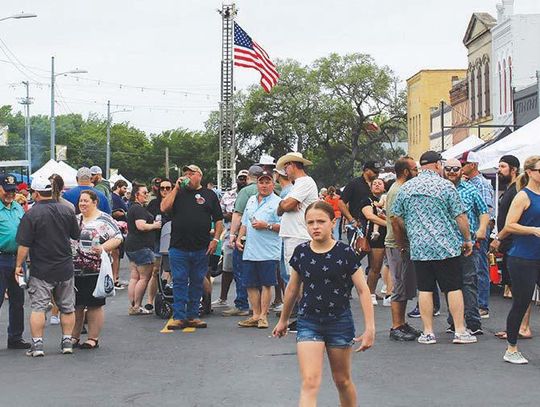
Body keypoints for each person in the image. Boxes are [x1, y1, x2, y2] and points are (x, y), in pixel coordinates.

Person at [273, 201, 375, 407]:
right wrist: (283, 319)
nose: (315, 226)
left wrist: (370, 328)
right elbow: (292, 288)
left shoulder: (345, 252)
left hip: (339, 322)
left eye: (321, 221)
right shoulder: (301, 252)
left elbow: (363, 290)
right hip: (309, 322)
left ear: (333, 222)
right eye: (310, 222)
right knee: (310, 382)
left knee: (342, 381)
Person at [392, 151, 477, 345]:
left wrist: (410, 233)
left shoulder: (407, 188)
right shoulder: (445, 186)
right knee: (453, 288)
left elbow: (396, 216)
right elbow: (460, 216)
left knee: (425, 289)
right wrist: (467, 239)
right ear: (438, 165)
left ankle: (428, 332)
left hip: (420, 247)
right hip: (446, 246)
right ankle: (460, 330)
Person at [15, 176, 80, 357]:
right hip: (65, 266)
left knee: (38, 307)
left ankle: (37, 345)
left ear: (35, 193)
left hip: (41, 268)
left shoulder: (31, 215)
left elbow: (24, 245)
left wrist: (18, 265)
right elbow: (76, 235)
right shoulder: (66, 210)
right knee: (67, 306)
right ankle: (67, 341)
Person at [161, 165, 223, 330]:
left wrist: (215, 239)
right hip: (178, 246)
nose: (187, 176)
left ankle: (193, 315)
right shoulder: (178, 193)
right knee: (179, 281)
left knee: (197, 281)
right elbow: (164, 208)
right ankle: (179, 316)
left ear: (199, 176)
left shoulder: (209, 195)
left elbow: (218, 220)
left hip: (201, 246)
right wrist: (174, 188)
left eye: (191, 173)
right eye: (185, 173)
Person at [500, 155, 540, 364]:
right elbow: (509, 225)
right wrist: (533, 230)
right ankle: (511, 348)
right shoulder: (523, 196)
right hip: (523, 258)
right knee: (521, 303)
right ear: (531, 172)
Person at [71, 190, 122, 349]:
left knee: (94, 304)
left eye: (86, 201)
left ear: (95, 202)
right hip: (75, 269)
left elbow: (118, 237)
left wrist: (103, 248)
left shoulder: (104, 219)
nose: (83, 204)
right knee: (76, 305)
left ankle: (93, 338)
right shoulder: (75, 219)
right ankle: (73, 337)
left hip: (96, 269)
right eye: (81, 201)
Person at [443, 158, 489, 335]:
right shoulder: (438, 190)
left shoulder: (470, 189)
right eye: (448, 169)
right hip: (445, 245)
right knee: (450, 284)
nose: (452, 172)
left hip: (467, 243)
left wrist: (482, 227)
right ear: (443, 170)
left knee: (469, 282)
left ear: (461, 170)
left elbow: (484, 211)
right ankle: (454, 321)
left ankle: (473, 322)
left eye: (456, 168)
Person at [236, 170, 282, 329]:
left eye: (267, 182)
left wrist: (267, 226)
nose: (264, 185)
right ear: (257, 184)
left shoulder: (278, 202)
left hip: (268, 250)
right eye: (261, 182)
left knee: (266, 284)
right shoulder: (250, 200)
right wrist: (238, 237)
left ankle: (263, 315)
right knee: (250, 283)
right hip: (250, 249)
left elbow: (283, 226)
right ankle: (255, 314)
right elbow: (244, 223)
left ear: (273, 184)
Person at [385, 156, 421, 341]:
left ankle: (402, 323)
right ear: (406, 172)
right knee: (399, 285)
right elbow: (395, 220)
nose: (417, 172)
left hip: (403, 244)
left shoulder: (402, 188)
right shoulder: (397, 190)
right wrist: (401, 246)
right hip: (397, 245)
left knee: (405, 286)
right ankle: (396, 326)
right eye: (415, 169)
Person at [223, 166, 262, 317]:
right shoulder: (269, 191)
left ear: (248, 177)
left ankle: (242, 304)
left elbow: (237, 215)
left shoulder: (245, 192)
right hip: (263, 237)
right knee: (259, 273)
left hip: (245, 236)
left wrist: (233, 235)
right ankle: (258, 306)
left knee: (240, 270)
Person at [460, 152, 495, 319]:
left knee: (480, 266)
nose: (461, 168)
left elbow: (487, 209)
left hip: (479, 230)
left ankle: (482, 305)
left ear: (472, 165)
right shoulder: (469, 183)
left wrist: (483, 231)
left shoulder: (480, 183)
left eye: (463, 164)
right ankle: (475, 304)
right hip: (474, 230)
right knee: (473, 267)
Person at [0, 174, 30, 350]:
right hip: (1, 258)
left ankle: (15, 338)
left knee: (18, 301)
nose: (10, 194)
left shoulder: (18, 207)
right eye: (6, 190)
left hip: (18, 259)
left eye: (13, 191)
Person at [212, 170, 249, 308]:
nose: (243, 180)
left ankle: (252, 303)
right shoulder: (228, 195)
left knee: (250, 269)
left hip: (250, 236)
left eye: (245, 178)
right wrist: (230, 215)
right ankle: (223, 298)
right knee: (228, 268)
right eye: (241, 178)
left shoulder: (254, 193)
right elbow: (219, 213)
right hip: (230, 235)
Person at [125, 183, 161, 315]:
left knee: (134, 277)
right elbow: (141, 226)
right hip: (141, 246)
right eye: (144, 193)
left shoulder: (132, 208)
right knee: (144, 277)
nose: (146, 195)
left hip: (131, 245)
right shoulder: (138, 209)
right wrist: (155, 225)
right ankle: (137, 305)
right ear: (136, 195)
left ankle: (134, 305)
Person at [359, 178, 388, 305]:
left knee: (382, 266)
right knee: (375, 267)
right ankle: (369, 294)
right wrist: (388, 224)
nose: (376, 185)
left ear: (384, 187)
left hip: (387, 237)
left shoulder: (387, 200)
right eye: (374, 183)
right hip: (373, 237)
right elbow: (369, 216)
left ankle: (373, 292)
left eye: (379, 183)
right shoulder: (367, 200)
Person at [145, 178, 173, 311]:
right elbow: (147, 220)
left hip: (174, 239)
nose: (165, 190)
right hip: (157, 240)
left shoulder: (176, 202)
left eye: (168, 188)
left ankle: (172, 294)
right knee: (155, 271)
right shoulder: (153, 204)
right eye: (162, 188)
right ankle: (150, 300)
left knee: (172, 269)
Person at [339, 161, 381, 241]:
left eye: (378, 172)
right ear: (366, 170)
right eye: (374, 171)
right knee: (358, 251)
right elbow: (341, 203)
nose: (377, 174)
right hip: (359, 224)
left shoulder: (377, 184)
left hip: (376, 225)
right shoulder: (354, 184)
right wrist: (351, 220)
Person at [111, 179, 129, 289]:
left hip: (121, 230)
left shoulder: (119, 198)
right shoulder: (114, 198)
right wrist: (124, 213)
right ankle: (114, 279)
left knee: (118, 254)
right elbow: (114, 212)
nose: (125, 190)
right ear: (118, 186)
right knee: (115, 254)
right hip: (116, 229)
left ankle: (116, 277)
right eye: (124, 188)